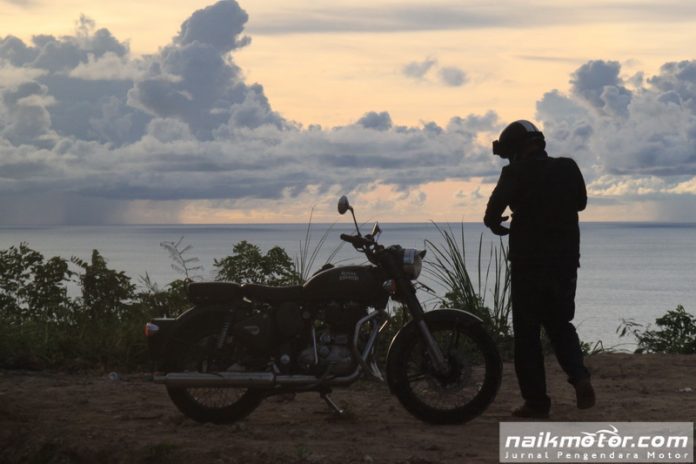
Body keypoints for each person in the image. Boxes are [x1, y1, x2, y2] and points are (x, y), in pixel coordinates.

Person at [483, 119, 595, 418]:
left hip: (528, 264)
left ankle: (536, 402)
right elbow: (581, 203)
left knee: (527, 334)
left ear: (515, 150)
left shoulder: (514, 173)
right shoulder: (567, 167)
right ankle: (579, 377)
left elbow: (492, 213)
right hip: (565, 261)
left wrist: (498, 224)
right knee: (560, 324)